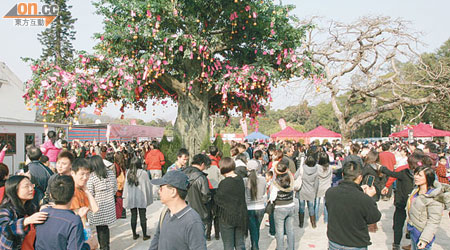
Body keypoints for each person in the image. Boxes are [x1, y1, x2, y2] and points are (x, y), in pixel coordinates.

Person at [325, 161, 381, 250]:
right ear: (360, 177)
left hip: (335, 240)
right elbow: (374, 217)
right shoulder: (364, 199)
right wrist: (369, 198)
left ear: (343, 174)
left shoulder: (330, 192)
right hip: (356, 243)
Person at [380, 153, 431, 250]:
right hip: (414, 204)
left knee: (399, 224)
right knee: (415, 225)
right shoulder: (426, 173)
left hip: (404, 202)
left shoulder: (404, 171)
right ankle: (412, 243)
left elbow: (391, 174)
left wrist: (382, 169)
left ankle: (396, 244)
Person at [35, 175, 97, 250]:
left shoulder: (43, 213)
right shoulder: (74, 221)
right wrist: (89, 245)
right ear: (73, 194)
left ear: (51, 195)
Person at [148, 170, 206, 250]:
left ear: (173, 191)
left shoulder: (193, 222)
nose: (159, 191)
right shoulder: (165, 212)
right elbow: (157, 236)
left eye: (161, 188)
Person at [0, 176, 48, 250]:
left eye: (31, 185)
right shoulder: (5, 210)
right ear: (14, 189)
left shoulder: (32, 207)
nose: (31, 189)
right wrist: (26, 221)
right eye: (26, 186)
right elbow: (5, 230)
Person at [406, 166, 447, 250]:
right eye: (415, 174)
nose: (416, 177)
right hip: (413, 230)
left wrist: (424, 239)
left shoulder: (434, 197)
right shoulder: (416, 190)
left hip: (423, 233)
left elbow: (434, 221)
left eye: (420, 175)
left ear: (428, 178)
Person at [215, 157, 248, 250]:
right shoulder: (240, 179)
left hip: (227, 218)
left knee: (228, 246)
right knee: (240, 245)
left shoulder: (224, 183)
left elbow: (218, 200)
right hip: (241, 216)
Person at [87, 155, 118, 250]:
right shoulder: (110, 173)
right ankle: (105, 247)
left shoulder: (92, 176)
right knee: (104, 228)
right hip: (109, 205)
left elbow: (89, 192)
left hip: (98, 206)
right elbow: (115, 189)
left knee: (100, 229)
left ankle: (104, 247)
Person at [123, 156, 153, 240]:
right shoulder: (143, 173)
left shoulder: (128, 172)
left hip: (132, 198)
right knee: (143, 216)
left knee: (133, 215)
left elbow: (126, 186)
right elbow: (148, 185)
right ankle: (144, 235)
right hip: (141, 197)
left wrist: (125, 197)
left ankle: (134, 234)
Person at [269, 160, 295, 250]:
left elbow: (272, 198)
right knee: (290, 230)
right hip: (291, 206)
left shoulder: (276, 183)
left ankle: (280, 248)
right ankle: (291, 247)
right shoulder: (290, 180)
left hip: (280, 208)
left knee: (279, 232)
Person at [182, 154, 211, 227]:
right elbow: (205, 196)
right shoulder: (201, 177)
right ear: (202, 164)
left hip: (182, 210)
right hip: (198, 212)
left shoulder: (182, 172)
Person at [243, 160, 267, 250]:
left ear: (247, 169)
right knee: (256, 229)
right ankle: (255, 246)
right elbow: (264, 192)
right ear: (258, 168)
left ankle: (255, 247)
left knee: (253, 230)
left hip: (249, 207)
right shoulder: (263, 179)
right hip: (260, 207)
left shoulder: (244, 181)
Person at [70, 159, 99, 228]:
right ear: (73, 173)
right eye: (82, 174)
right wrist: (87, 235)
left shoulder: (82, 189)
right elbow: (80, 216)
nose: (85, 177)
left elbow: (95, 209)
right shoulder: (71, 191)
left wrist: (87, 191)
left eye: (88, 174)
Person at [298, 152, 319, 228]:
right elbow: (316, 184)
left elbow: (295, 176)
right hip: (311, 191)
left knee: (301, 207)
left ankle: (301, 223)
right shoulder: (316, 170)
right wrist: (315, 193)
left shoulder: (302, 169)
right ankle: (313, 223)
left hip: (302, 191)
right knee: (311, 207)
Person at [315, 151, 332, 224]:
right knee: (326, 204)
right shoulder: (330, 167)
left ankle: (315, 219)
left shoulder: (316, 167)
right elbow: (331, 178)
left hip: (318, 187)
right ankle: (326, 219)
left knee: (316, 204)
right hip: (327, 187)